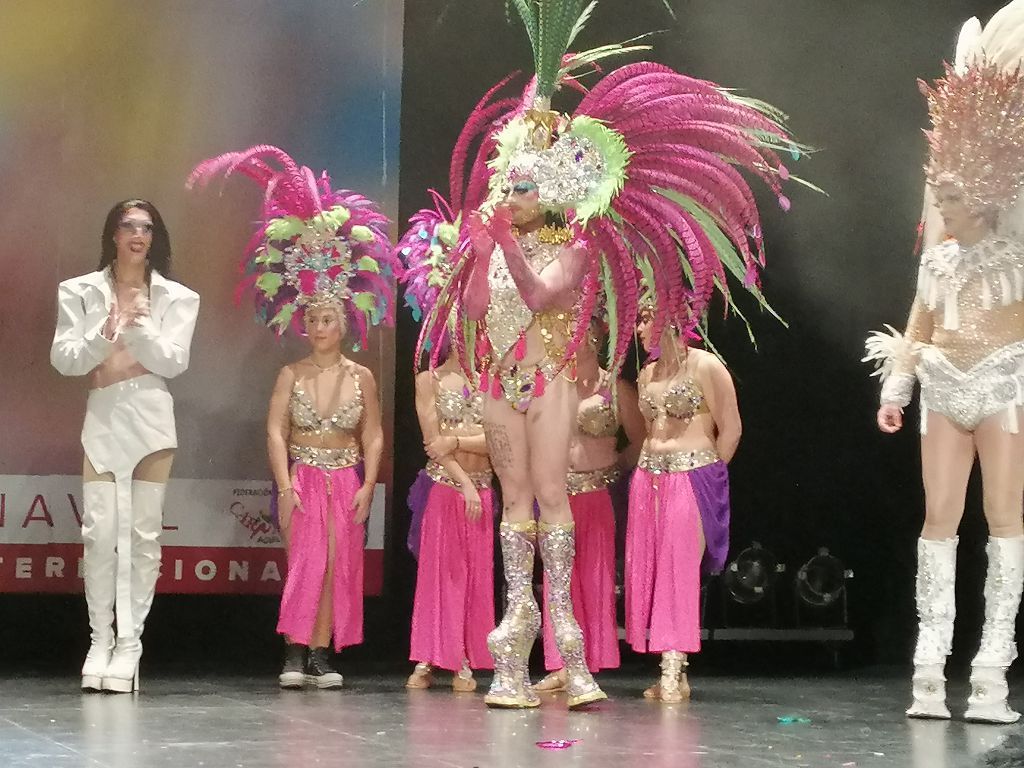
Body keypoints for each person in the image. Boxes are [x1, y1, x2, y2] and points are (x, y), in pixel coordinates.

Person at [408, 2, 803, 709]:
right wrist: (473, 257)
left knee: (553, 495)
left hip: (551, 381)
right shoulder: (494, 248)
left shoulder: (575, 249)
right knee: (514, 503)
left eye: (523, 188)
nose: (511, 196)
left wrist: (502, 250)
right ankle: (512, 649)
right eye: (508, 186)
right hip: (501, 382)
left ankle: (569, 644)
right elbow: (472, 313)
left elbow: (537, 297)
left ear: (551, 193)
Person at [864, 1, 1024, 724]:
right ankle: (930, 668)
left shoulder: (1017, 256)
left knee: (1004, 518)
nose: (941, 206)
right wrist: (895, 389)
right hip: (944, 390)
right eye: (940, 195)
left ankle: (991, 670)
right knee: (940, 520)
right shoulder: (938, 260)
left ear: (987, 197)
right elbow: (919, 326)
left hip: (1002, 389)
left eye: (953, 198)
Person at [188, 144, 396, 689]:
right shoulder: (291, 376)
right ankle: (293, 651)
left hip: (345, 476)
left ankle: (324, 654)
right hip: (303, 476)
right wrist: (284, 485)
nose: (321, 325)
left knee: (338, 564)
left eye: (329, 317)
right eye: (313, 317)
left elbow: (372, 434)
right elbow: (275, 431)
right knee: (304, 564)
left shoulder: (362, 378)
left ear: (345, 322)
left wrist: (369, 483)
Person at [50, 199, 200, 693]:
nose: (138, 235)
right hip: (104, 412)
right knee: (99, 533)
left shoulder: (177, 297)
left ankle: (130, 642)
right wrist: (107, 328)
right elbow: (66, 360)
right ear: (112, 234)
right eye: (128, 226)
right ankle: (100, 639)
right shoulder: (79, 290)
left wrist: (139, 324)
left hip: (151, 413)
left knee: (142, 535)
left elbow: (174, 362)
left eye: (147, 227)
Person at [397, 205, 496, 692]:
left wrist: (467, 455)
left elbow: (500, 444)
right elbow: (433, 443)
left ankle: (463, 658)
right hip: (446, 487)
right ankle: (428, 656)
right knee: (439, 574)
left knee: (476, 575)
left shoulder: (498, 384)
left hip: (484, 487)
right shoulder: (428, 381)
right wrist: (463, 481)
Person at [626, 313, 738, 703]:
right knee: (654, 570)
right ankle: (673, 670)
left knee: (679, 570)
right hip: (648, 479)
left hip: (692, 477)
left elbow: (732, 427)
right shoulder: (647, 374)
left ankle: (672, 670)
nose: (640, 329)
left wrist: (710, 476)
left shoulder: (706, 366)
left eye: (645, 319)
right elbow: (647, 427)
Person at [534, 324, 644, 692]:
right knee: (557, 577)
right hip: (558, 495)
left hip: (598, 493)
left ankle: (590, 660)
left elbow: (640, 441)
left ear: (595, 340)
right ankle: (560, 663)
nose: (574, 346)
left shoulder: (615, 388)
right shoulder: (553, 386)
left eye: (580, 338)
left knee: (594, 574)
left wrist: (613, 470)